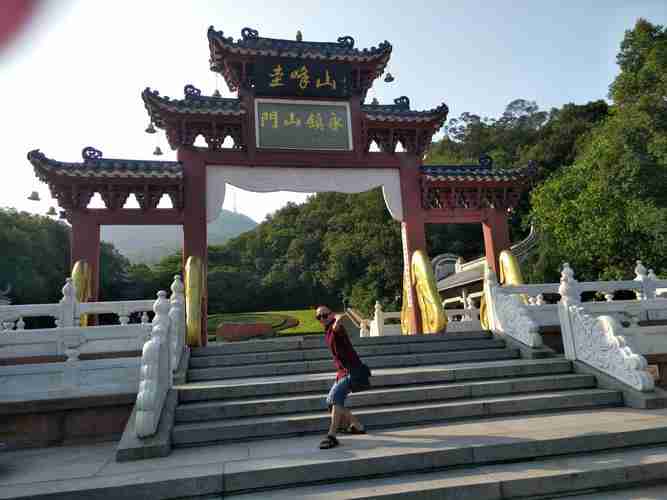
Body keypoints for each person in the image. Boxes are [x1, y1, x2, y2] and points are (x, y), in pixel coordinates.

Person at [316, 305, 366, 450]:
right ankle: (357, 426)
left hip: (352, 370)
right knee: (330, 401)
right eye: (318, 317)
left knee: (336, 398)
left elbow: (337, 326)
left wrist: (337, 318)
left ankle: (332, 435)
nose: (322, 319)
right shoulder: (327, 330)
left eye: (324, 315)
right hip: (342, 372)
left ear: (331, 315)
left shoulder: (336, 328)